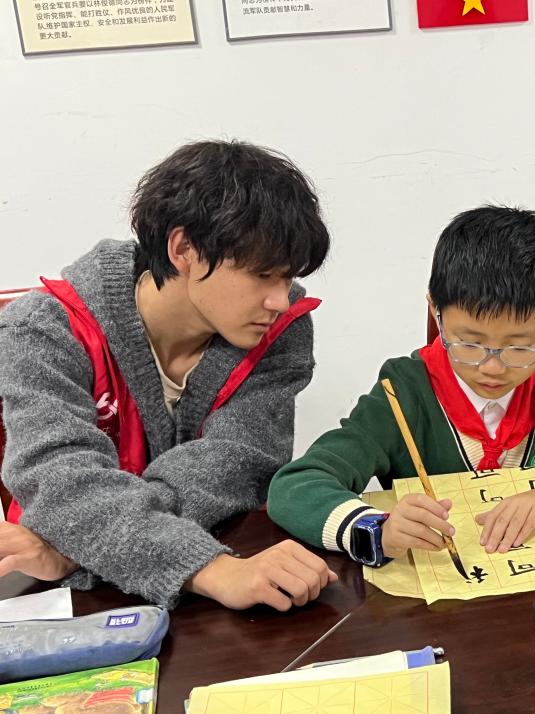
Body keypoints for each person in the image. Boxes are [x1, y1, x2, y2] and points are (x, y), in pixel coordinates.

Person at [0, 140, 338, 610]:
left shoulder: (282, 328)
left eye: (287, 277)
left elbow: (237, 467)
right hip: (58, 601)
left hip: (124, 569)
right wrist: (209, 569)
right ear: (183, 249)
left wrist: (80, 544)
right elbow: (61, 482)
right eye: (263, 275)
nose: (280, 300)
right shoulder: (43, 329)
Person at [267, 205, 535, 565]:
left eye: (520, 347)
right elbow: (295, 487)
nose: (492, 367)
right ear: (435, 311)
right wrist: (376, 529)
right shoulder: (404, 392)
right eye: (469, 343)